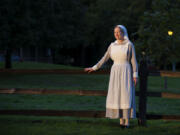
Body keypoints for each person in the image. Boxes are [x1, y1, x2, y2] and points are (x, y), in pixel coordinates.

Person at [84, 25, 138, 128]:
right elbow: (105, 58)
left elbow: (133, 61)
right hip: (115, 72)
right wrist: (94, 67)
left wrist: (135, 75)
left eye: (119, 32)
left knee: (126, 95)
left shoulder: (129, 45)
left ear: (123, 33)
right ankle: (121, 121)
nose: (117, 34)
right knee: (117, 94)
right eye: (115, 32)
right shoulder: (112, 45)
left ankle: (127, 122)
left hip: (126, 71)